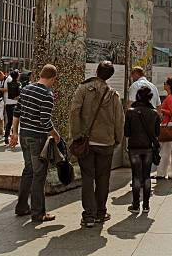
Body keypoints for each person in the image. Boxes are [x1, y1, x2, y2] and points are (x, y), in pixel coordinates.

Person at [70, 61, 124, 228]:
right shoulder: (113, 95)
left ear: (97, 71)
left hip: (86, 141)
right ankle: (101, 212)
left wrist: (76, 135)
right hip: (106, 142)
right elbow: (119, 120)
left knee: (87, 177)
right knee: (103, 177)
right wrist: (117, 139)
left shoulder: (83, 89)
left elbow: (74, 111)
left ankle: (88, 215)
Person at [9, 64, 59, 223]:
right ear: (53, 78)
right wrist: (55, 134)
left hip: (24, 135)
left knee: (28, 170)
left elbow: (17, 112)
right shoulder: (47, 94)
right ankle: (38, 213)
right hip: (37, 137)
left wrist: (14, 133)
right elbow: (45, 120)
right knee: (39, 175)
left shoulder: (26, 89)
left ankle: (22, 206)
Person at [124, 86, 161, 214]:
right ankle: (146, 205)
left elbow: (126, 133)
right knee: (146, 176)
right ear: (150, 98)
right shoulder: (155, 113)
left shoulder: (130, 112)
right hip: (148, 148)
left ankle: (135, 205)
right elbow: (157, 133)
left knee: (135, 176)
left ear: (138, 96)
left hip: (134, 148)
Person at [155, 77, 172, 180]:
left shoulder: (170, 98)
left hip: (169, 125)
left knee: (165, 151)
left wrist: (161, 109)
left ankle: (161, 173)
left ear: (169, 85)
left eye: (165, 83)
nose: (164, 85)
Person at [4, 70, 22, 145]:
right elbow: (19, 95)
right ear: (17, 76)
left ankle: (6, 137)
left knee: (9, 121)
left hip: (8, 103)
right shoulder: (19, 84)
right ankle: (14, 138)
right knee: (16, 122)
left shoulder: (8, 83)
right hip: (16, 104)